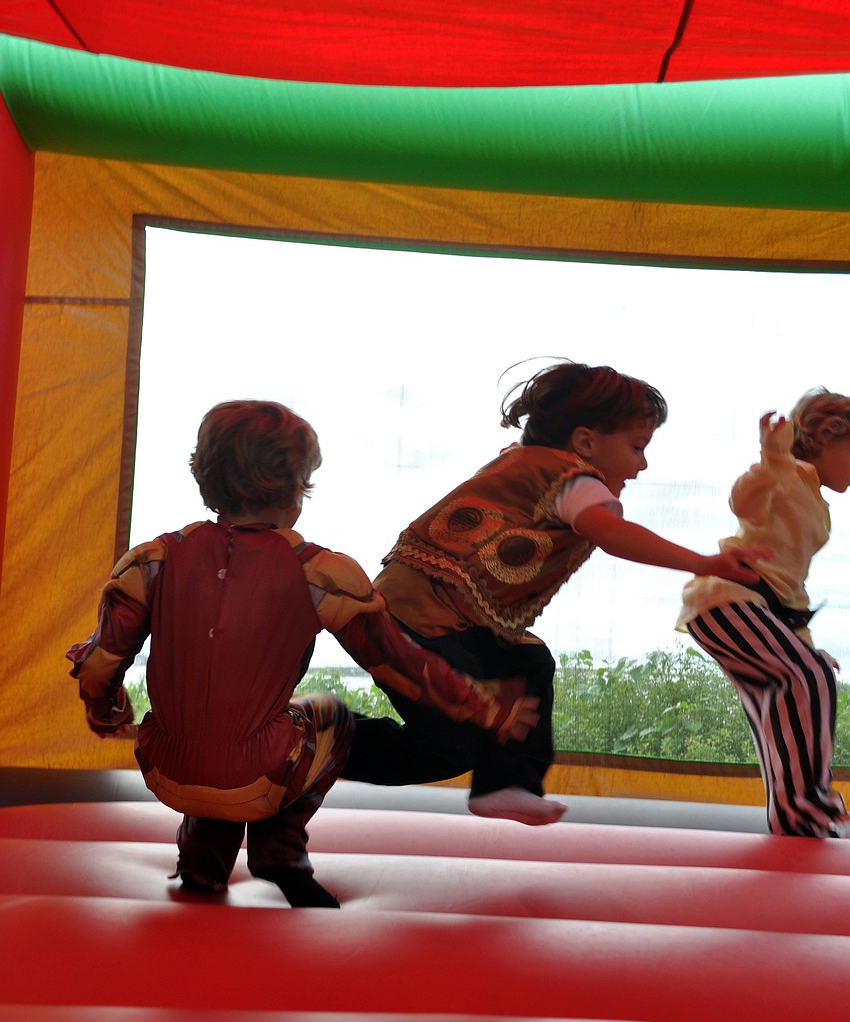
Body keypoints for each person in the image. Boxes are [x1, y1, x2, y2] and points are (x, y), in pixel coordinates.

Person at [66, 400, 538, 906]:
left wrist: (107, 711)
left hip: (165, 771)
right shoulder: (319, 574)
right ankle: (279, 849)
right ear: (296, 492)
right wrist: (482, 703)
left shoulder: (149, 561)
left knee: (210, 727)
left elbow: (101, 662)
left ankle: (203, 860)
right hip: (263, 778)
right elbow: (399, 662)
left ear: (203, 477)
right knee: (327, 712)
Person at [343, 358, 764, 823]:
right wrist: (704, 563)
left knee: (527, 664)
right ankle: (313, 739)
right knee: (459, 738)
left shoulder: (524, 463)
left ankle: (499, 781)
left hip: (423, 610)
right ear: (586, 442)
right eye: (637, 447)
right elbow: (612, 534)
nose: (643, 465)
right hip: (420, 617)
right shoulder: (574, 480)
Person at [678, 390, 850, 838]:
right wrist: (773, 459)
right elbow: (743, 503)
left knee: (782, 703)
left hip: (762, 608)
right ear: (829, 438)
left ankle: (794, 823)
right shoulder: (787, 475)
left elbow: (789, 583)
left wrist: (803, 645)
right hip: (726, 598)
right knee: (806, 678)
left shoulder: (816, 502)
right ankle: (807, 808)